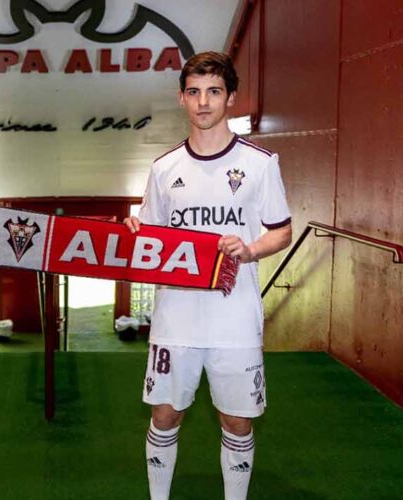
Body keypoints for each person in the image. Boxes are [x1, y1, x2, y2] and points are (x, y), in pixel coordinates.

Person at [124, 51, 292, 500]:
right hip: (175, 317)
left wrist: (250, 248)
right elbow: (152, 241)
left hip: (233, 318)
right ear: (182, 99)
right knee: (164, 415)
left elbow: (281, 232)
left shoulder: (260, 163)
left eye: (214, 92)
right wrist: (137, 233)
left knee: (236, 420)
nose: (203, 102)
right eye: (194, 92)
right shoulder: (164, 168)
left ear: (230, 98)